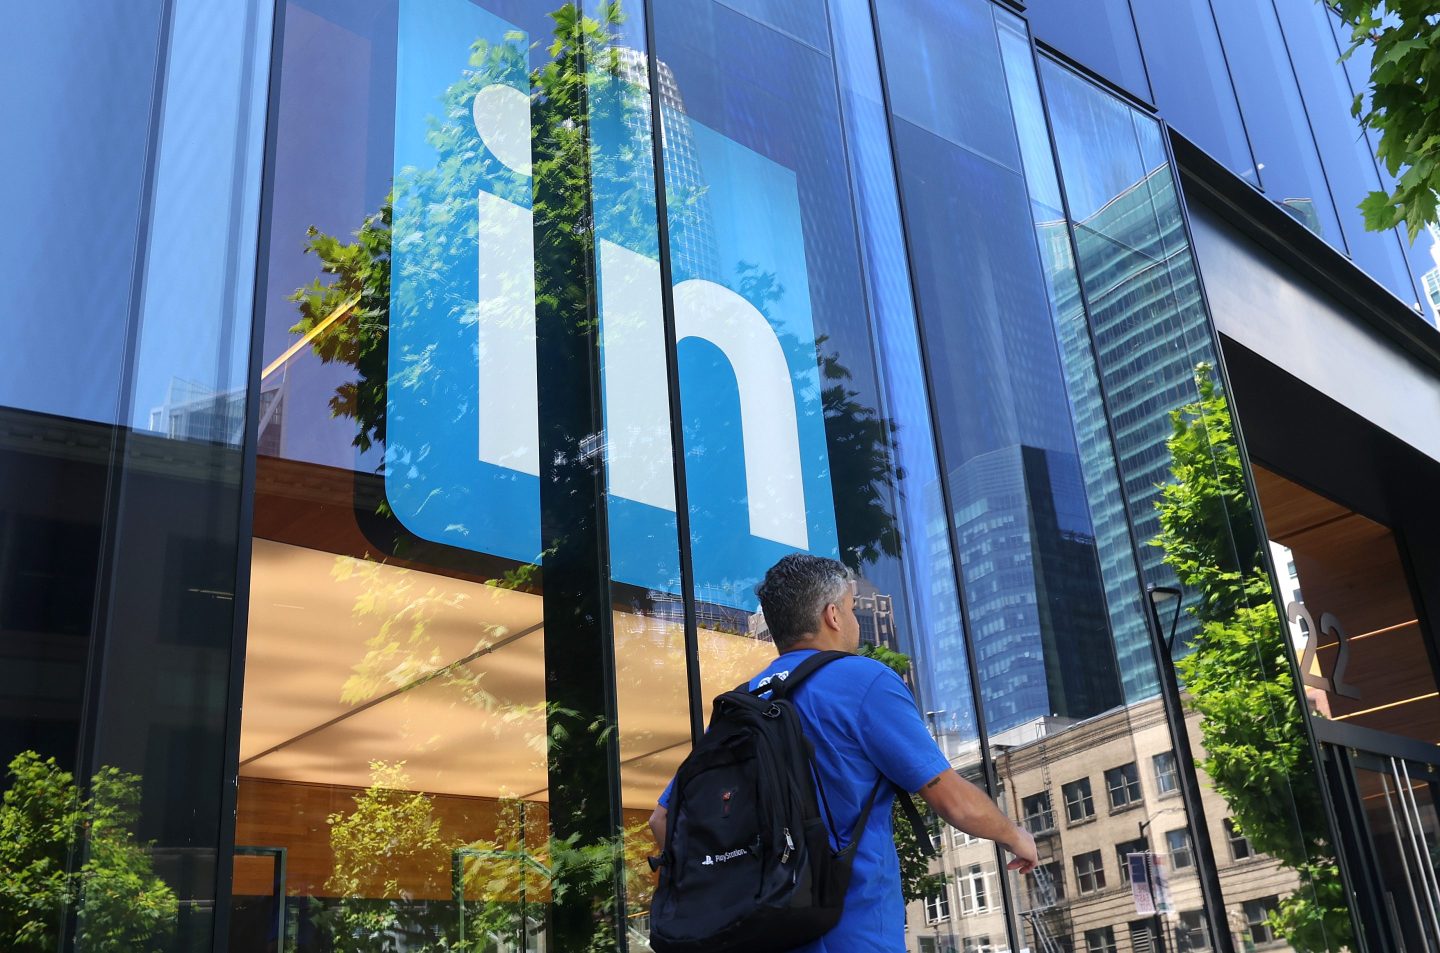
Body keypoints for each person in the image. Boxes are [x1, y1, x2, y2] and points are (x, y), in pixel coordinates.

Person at [649, 553, 1038, 952]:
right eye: (852, 609)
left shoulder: (744, 703)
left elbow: (662, 819)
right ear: (832, 615)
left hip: (756, 937)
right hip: (851, 935)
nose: (854, 621)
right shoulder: (862, 680)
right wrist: (1015, 836)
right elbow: (955, 802)